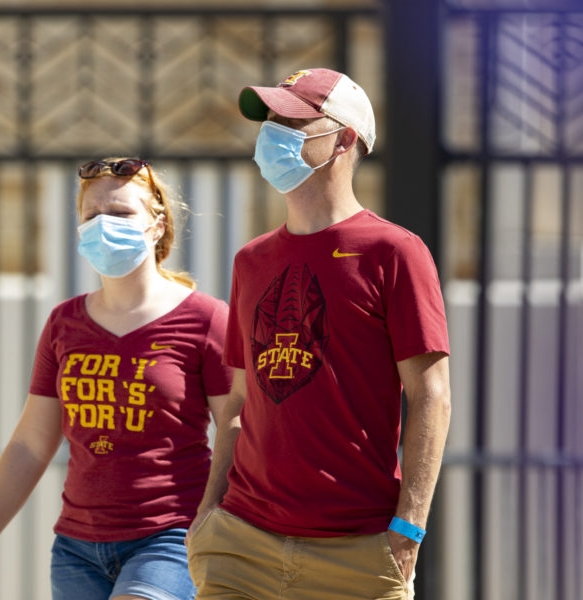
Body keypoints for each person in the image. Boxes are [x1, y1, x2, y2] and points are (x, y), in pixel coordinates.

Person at [186, 68, 451, 600]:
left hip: (357, 553)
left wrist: (409, 531)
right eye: (271, 120)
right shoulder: (251, 260)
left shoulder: (394, 252)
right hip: (240, 542)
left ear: (345, 139)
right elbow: (239, 397)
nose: (273, 133)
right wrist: (207, 513)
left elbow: (431, 396)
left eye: (293, 120)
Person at [0, 157, 233, 600]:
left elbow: (237, 428)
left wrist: (212, 515)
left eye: (119, 213)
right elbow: (31, 443)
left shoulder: (206, 318)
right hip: (77, 550)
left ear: (156, 225)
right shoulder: (64, 323)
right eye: (91, 215)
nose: (103, 226)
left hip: (170, 538)